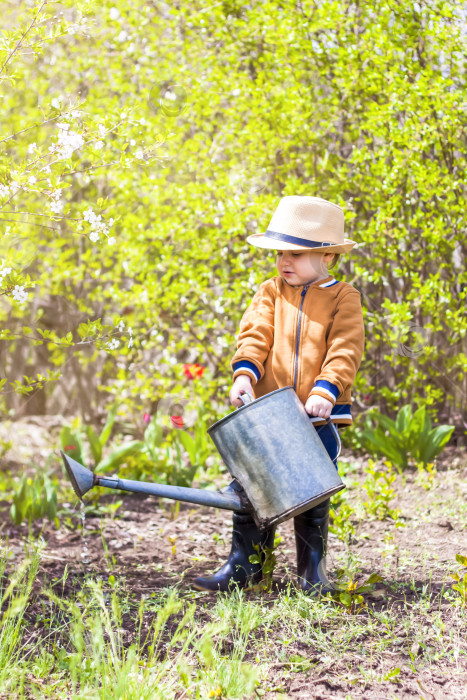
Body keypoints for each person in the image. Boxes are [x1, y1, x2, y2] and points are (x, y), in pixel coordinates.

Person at [193, 196, 365, 595]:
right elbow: (254, 337)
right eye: (279, 254)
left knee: (312, 490)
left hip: (316, 415)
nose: (284, 261)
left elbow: (346, 348)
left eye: (296, 254)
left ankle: (312, 573)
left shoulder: (343, 298)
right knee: (253, 486)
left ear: (327, 256)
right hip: (268, 413)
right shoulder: (271, 291)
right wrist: (244, 375)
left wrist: (327, 388)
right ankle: (247, 566)